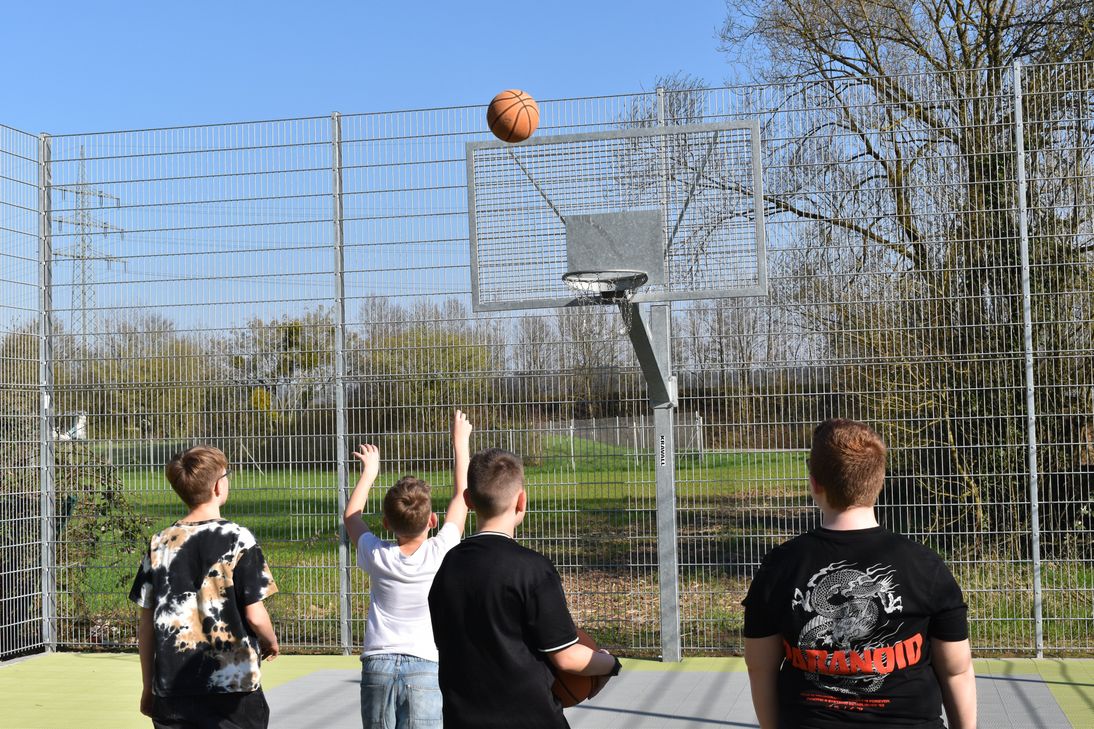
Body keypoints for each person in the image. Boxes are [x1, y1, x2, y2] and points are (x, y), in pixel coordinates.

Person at [743, 418, 977, 729]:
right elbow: (956, 671)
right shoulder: (927, 567)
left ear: (814, 483)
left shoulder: (779, 566)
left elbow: (760, 668)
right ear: (879, 481)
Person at [428, 447, 622, 729]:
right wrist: (610, 663)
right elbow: (567, 657)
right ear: (522, 501)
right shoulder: (532, 570)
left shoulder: (448, 566)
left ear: (468, 500)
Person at [130, 446, 280, 729]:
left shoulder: (159, 544)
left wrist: (149, 687)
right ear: (217, 486)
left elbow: (147, 623)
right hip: (234, 688)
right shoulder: (239, 539)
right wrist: (270, 641)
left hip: (173, 688)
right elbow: (254, 615)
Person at [343, 410, 474, 729]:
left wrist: (370, 472)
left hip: (377, 665)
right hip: (425, 666)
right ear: (432, 521)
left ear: (386, 523)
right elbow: (462, 497)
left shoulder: (376, 554)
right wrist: (460, 443)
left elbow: (352, 517)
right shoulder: (441, 551)